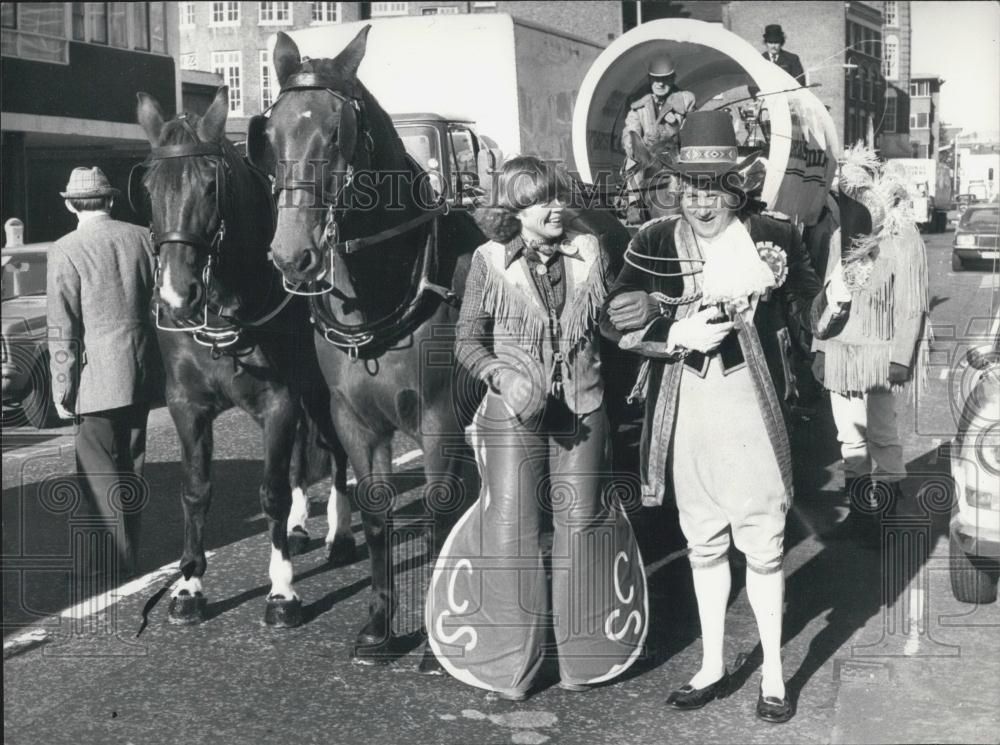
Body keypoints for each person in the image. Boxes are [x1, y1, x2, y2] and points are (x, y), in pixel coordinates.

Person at [601, 111, 850, 724]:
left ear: (735, 187)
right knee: (702, 538)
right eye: (689, 187)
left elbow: (805, 310)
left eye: (711, 188)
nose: (700, 201)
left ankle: (771, 674)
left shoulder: (776, 234)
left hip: (752, 407)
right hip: (685, 409)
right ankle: (712, 664)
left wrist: (834, 306)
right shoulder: (653, 240)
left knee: (763, 543)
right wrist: (672, 330)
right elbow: (613, 319)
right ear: (675, 187)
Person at [426, 156, 648, 701]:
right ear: (513, 211)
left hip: (583, 403)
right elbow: (467, 342)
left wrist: (641, 313)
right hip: (514, 412)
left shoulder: (591, 249)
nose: (555, 209)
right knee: (512, 527)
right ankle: (509, 668)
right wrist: (501, 373)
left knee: (583, 523)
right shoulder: (485, 262)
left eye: (558, 197)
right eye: (539, 201)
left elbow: (603, 321)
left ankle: (584, 658)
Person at [47, 166, 160, 579]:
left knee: (98, 473)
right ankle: (129, 552)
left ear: (70, 205)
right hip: (142, 369)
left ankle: (116, 563)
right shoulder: (142, 238)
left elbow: (63, 326)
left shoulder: (65, 248)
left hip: (94, 379)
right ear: (110, 200)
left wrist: (62, 386)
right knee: (131, 465)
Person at [813, 149, 929, 544]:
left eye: (858, 192)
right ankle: (862, 514)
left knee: (881, 433)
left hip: (880, 355)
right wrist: (819, 349)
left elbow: (912, 303)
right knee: (850, 436)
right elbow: (827, 298)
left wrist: (900, 357)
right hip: (842, 353)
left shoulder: (903, 236)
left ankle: (889, 509)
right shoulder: (838, 237)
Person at [621, 55, 696, 224]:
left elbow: (693, 129)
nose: (660, 84)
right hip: (650, 154)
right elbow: (630, 129)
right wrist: (634, 144)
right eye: (656, 79)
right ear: (650, 79)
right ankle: (635, 204)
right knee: (632, 162)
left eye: (665, 79)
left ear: (673, 78)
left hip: (676, 153)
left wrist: (676, 125)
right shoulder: (638, 104)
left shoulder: (685, 101)